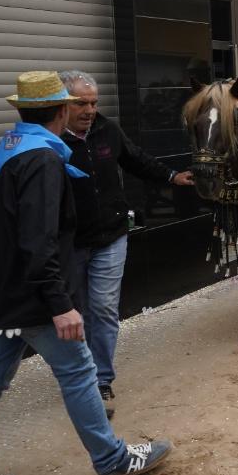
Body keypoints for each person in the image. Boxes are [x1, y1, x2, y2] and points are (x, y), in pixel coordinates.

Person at [0, 72, 172, 475]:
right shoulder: (43, 160)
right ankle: (113, 459)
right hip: (35, 299)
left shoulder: (6, 148)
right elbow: (37, 239)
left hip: (1, 294)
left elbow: (0, 215)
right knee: (80, 372)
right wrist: (61, 304)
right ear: (62, 110)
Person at [58, 71, 193, 419]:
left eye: (93, 103)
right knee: (78, 310)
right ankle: (81, 374)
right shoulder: (50, 139)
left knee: (103, 308)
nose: (90, 110)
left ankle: (100, 380)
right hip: (71, 243)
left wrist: (171, 176)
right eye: (81, 104)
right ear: (62, 104)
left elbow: (136, 159)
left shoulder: (107, 130)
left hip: (111, 236)